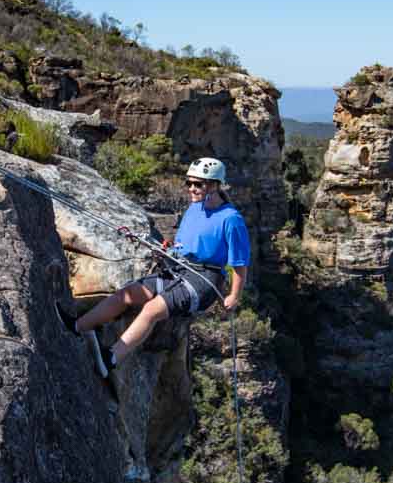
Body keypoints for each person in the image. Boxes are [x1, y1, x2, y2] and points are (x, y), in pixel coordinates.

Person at [57, 157, 251, 378]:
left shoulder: (231, 219)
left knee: (151, 310)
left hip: (203, 279)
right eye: (189, 183)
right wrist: (165, 248)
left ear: (215, 185)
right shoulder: (194, 209)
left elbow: (240, 263)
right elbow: (182, 243)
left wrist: (234, 295)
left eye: (199, 184)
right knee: (127, 294)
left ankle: (111, 358)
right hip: (179, 269)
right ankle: (78, 326)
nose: (192, 189)